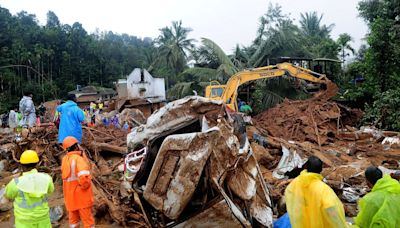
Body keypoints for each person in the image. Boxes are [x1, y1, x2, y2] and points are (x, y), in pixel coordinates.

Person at [285, 156, 347, 228]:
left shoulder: (296, 183)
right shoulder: (323, 189)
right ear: (321, 170)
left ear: (306, 167)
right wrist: (339, 224)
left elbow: (289, 196)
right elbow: (331, 207)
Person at [5, 150, 54, 228]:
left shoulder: (15, 183)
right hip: (43, 219)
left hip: (24, 222)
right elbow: (51, 190)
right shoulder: (46, 178)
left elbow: (8, 195)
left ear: (21, 165)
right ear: (37, 164)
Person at [61, 136, 94, 228]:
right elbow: (84, 178)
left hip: (70, 197)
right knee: (88, 221)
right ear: (76, 146)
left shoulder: (64, 159)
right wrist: (84, 187)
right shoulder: (78, 159)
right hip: (82, 197)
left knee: (73, 221)